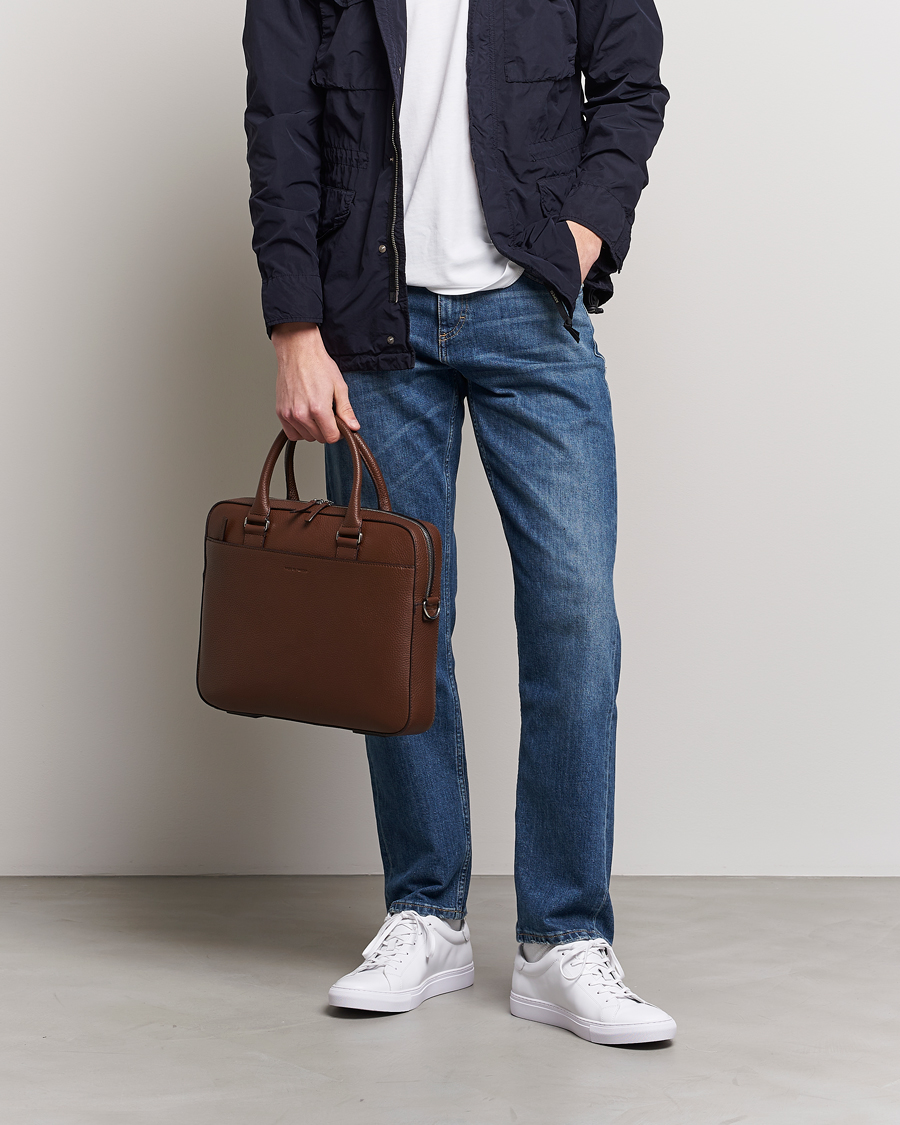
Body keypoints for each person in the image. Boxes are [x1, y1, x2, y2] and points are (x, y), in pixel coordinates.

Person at [243, 0, 671, 1045]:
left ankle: (563, 939)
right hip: (371, 319)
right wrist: (294, 326)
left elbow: (630, 84)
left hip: (532, 307)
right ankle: (425, 915)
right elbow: (281, 119)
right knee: (397, 630)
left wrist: (581, 233)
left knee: (575, 617)